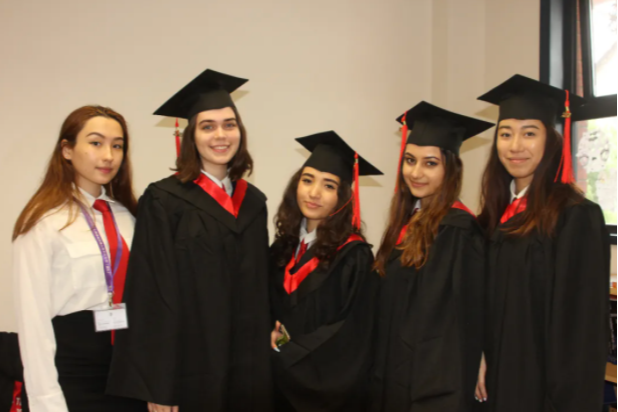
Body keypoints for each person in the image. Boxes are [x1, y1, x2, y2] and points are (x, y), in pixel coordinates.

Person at [106, 69, 273, 412]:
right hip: (189, 371)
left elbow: (260, 288)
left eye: (229, 125)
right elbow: (151, 295)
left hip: (247, 369)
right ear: (191, 137)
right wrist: (157, 384)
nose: (220, 135)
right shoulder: (164, 201)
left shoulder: (254, 203)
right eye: (207, 126)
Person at [475, 74, 610, 412]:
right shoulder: (493, 216)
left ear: (552, 140)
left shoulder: (575, 216)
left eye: (529, 133)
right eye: (505, 133)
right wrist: (477, 355)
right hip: (495, 381)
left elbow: (581, 329)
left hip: (543, 389)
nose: (515, 146)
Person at [12, 106, 144, 412]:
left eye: (117, 146)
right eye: (96, 143)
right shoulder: (43, 222)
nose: (108, 156)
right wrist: (47, 402)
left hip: (127, 369)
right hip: (72, 371)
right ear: (67, 150)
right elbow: (33, 323)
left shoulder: (129, 216)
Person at [370, 102, 494, 412]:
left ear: (450, 169)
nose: (416, 172)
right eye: (410, 160)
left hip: (429, 380)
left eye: (430, 163)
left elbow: (456, 319)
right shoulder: (406, 221)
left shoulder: (457, 230)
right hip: (393, 367)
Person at [270, 131, 383, 411]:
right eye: (307, 180)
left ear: (343, 198)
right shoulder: (281, 248)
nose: (314, 193)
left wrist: (289, 354)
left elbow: (352, 333)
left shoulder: (354, 256)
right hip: (274, 387)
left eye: (329, 185)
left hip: (325, 395)